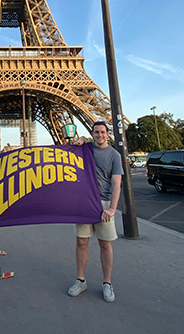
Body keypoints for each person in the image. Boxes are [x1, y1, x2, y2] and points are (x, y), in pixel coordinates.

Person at [68, 121, 123, 303]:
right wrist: (79, 142)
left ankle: (107, 283)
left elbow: (116, 183)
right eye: (96, 132)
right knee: (81, 241)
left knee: (105, 244)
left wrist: (112, 208)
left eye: (102, 132)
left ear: (107, 134)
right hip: (84, 202)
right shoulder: (86, 148)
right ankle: (81, 280)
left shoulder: (114, 155)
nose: (99, 135)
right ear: (93, 134)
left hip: (104, 203)